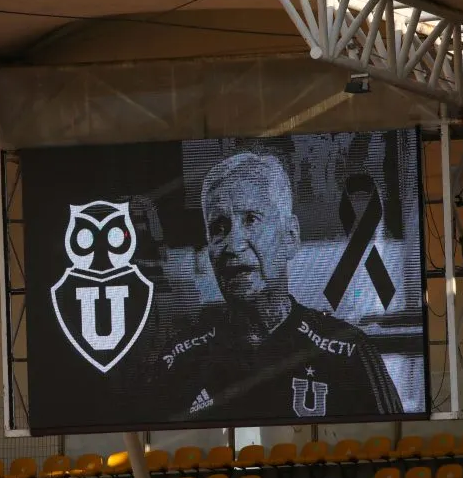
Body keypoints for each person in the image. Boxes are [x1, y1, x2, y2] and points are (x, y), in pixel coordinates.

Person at [159, 150, 404, 422]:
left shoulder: (349, 353)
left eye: (251, 219)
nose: (234, 244)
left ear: (290, 237)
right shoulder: (177, 363)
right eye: (218, 228)